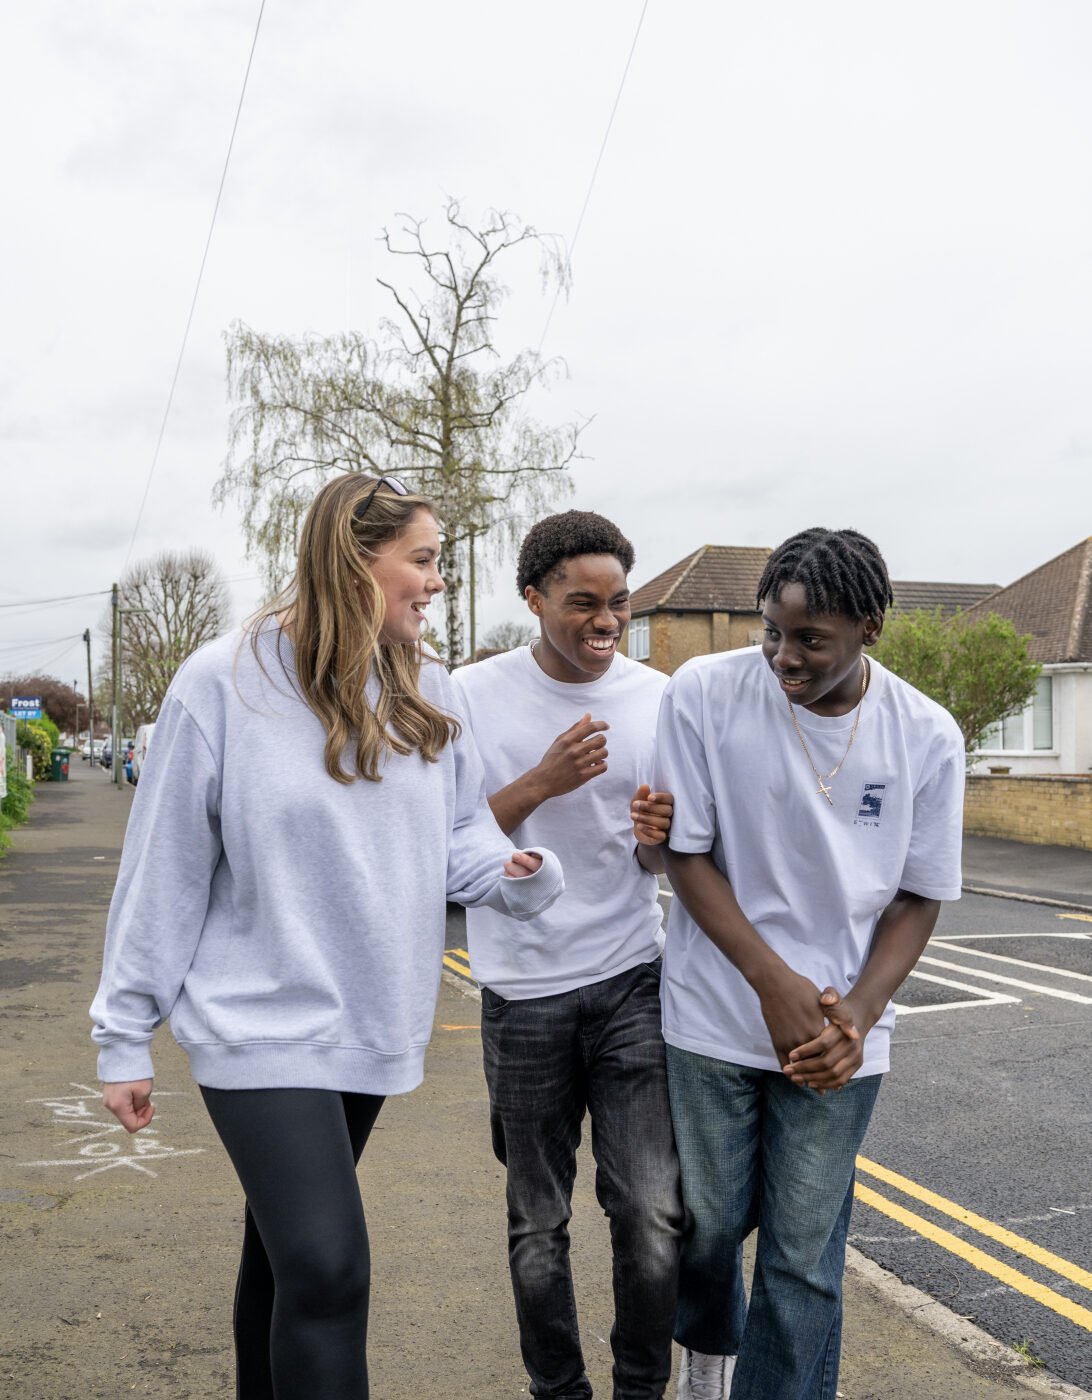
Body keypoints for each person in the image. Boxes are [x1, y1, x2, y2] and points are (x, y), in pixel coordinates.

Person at [90, 474, 563, 1400]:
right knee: (330, 1270)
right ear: (355, 560)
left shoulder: (426, 682)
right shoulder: (223, 682)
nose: (437, 583)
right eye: (422, 561)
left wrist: (514, 875)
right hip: (255, 1024)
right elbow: (164, 871)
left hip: (370, 1023)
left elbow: (457, 836)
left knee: (282, 1265)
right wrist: (123, 1033)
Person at [654, 527, 965, 1400]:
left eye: (810, 640)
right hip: (714, 1017)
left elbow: (918, 893)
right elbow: (686, 855)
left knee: (802, 1258)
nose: (783, 658)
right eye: (770, 633)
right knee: (709, 1230)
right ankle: (709, 1356)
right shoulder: (704, 694)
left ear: (871, 628)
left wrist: (857, 1014)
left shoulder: (927, 735)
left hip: (839, 1042)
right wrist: (774, 984)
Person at [452, 510, 683, 1400]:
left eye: (619, 604)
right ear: (533, 598)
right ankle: (560, 1392)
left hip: (633, 975)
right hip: (522, 991)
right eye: (582, 603)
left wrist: (659, 840)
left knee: (653, 1213)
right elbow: (448, 845)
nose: (605, 623)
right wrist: (543, 783)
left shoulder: (656, 697)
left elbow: (665, 859)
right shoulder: (471, 696)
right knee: (538, 1222)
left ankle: (638, 1391)